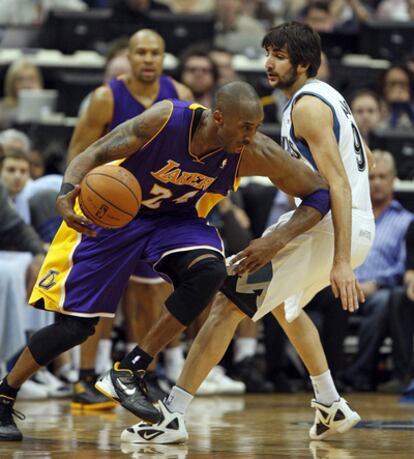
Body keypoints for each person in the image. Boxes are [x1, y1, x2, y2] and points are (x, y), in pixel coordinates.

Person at [0, 81, 330, 441]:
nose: (251, 136)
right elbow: (95, 153)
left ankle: (130, 370)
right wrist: (67, 194)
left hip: (176, 222)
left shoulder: (252, 152)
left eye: (256, 127)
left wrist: (274, 240)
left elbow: (318, 193)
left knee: (210, 270)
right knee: (74, 328)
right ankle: (4, 395)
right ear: (218, 118)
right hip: (113, 218)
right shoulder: (166, 119)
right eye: (245, 128)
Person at [119, 22, 375, 444]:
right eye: (267, 52)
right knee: (281, 307)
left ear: (304, 63)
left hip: (330, 229)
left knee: (226, 304)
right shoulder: (326, 97)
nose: (268, 62)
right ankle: (330, 404)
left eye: (279, 55)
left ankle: (173, 415)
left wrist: (341, 261)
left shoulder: (308, 107)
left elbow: (338, 187)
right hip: (339, 227)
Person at [67, 28, 193, 409]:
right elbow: (79, 152)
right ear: (130, 56)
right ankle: (85, 378)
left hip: (156, 209)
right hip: (109, 207)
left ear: (164, 56)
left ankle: (141, 373)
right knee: (100, 298)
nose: (148, 59)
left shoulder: (181, 96)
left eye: (155, 52)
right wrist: (77, 202)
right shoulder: (107, 98)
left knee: (148, 293)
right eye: (141, 52)